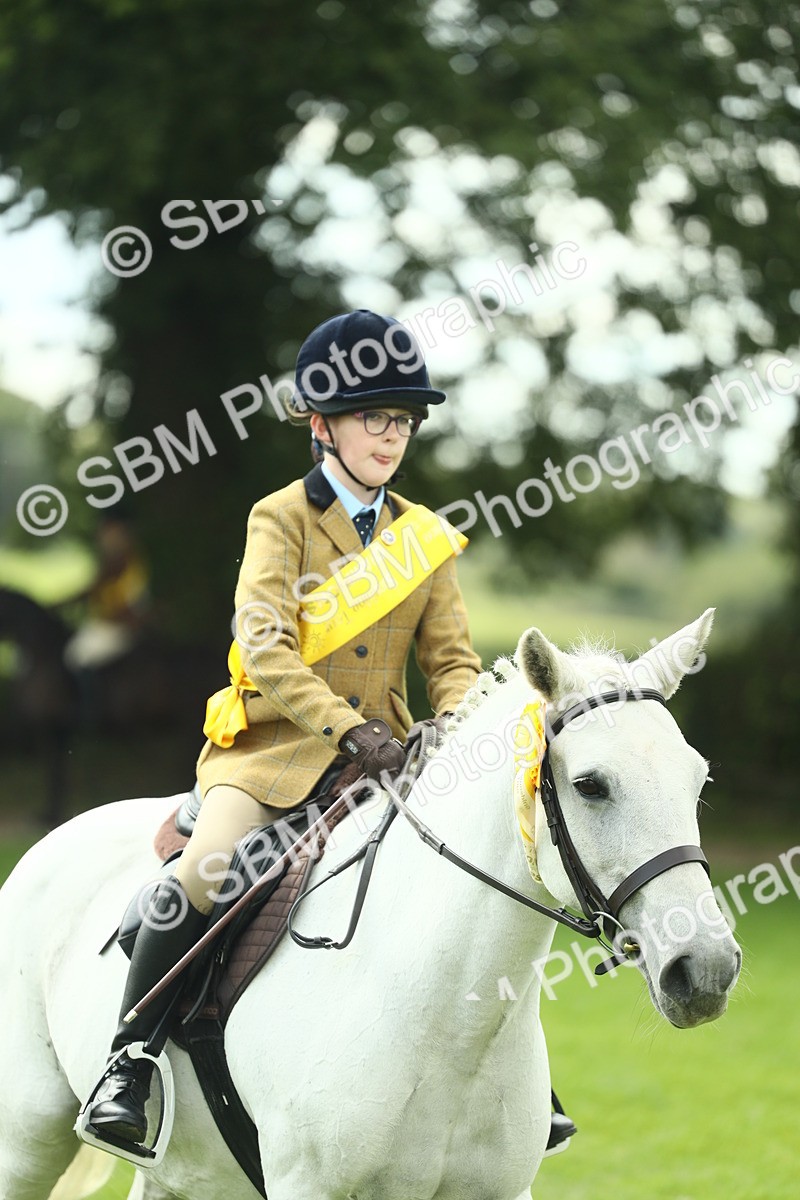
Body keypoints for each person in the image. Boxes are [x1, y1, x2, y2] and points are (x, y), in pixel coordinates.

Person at [82, 308, 484, 1150]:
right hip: (273, 753)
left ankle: (511, 1082)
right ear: (321, 424)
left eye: (404, 419)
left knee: (472, 878)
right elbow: (264, 647)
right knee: (200, 873)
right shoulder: (282, 517)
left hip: (391, 760)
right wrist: (346, 729)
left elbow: (452, 662)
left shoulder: (425, 540)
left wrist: (454, 723)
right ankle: (129, 1062)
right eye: (374, 416)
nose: (393, 434)